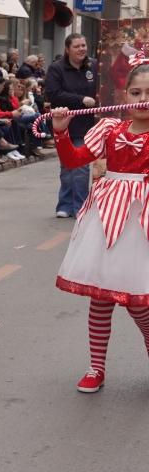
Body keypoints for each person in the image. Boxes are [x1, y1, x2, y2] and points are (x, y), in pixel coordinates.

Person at [49, 62, 149, 394]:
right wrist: (62, 130)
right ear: (124, 95)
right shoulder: (109, 128)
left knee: (139, 303)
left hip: (141, 220)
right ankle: (96, 367)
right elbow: (74, 159)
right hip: (107, 216)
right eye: (136, 93)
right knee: (100, 297)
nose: (143, 99)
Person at [47, 33, 98, 218]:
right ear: (68, 49)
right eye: (77, 46)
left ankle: (80, 206)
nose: (81, 49)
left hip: (87, 126)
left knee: (81, 167)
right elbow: (53, 94)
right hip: (64, 125)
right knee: (67, 167)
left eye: (83, 45)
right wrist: (80, 100)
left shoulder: (93, 66)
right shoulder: (56, 69)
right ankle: (65, 204)